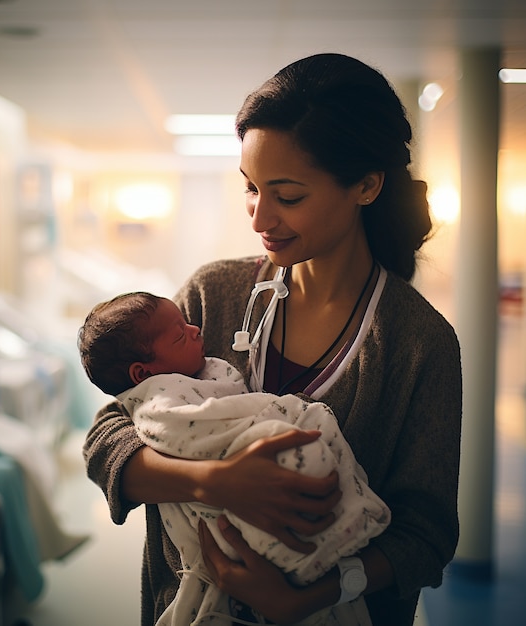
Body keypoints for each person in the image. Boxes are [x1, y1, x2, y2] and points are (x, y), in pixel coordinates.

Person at [83, 52, 462, 626]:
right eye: (250, 188)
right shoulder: (213, 295)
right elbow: (107, 438)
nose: (260, 218)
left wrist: (310, 596)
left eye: (288, 196)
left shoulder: (417, 345)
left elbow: (426, 535)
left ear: (365, 185)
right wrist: (216, 482)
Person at [78, 292, 390, 625]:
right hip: (215, 554)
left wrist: (301, 600)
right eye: (181, 335)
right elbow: (106, 435)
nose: (196, 329)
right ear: (143, 373)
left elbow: (426, 533)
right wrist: (208, 481)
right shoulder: (205, 296)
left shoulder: (415, 338)